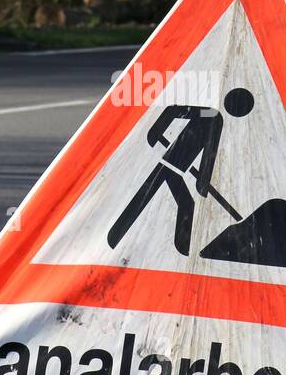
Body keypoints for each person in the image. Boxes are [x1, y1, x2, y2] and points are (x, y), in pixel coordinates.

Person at [107, 88, 254, 255]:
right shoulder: (211, 115)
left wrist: (202, 183)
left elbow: (208, 155)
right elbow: (177, 111)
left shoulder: (215, 118)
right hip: (168, 164)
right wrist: (156, 134)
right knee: (146, 197)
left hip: (176, 171)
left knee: (172, 202)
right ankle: (115, 238)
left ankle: (184, 249)